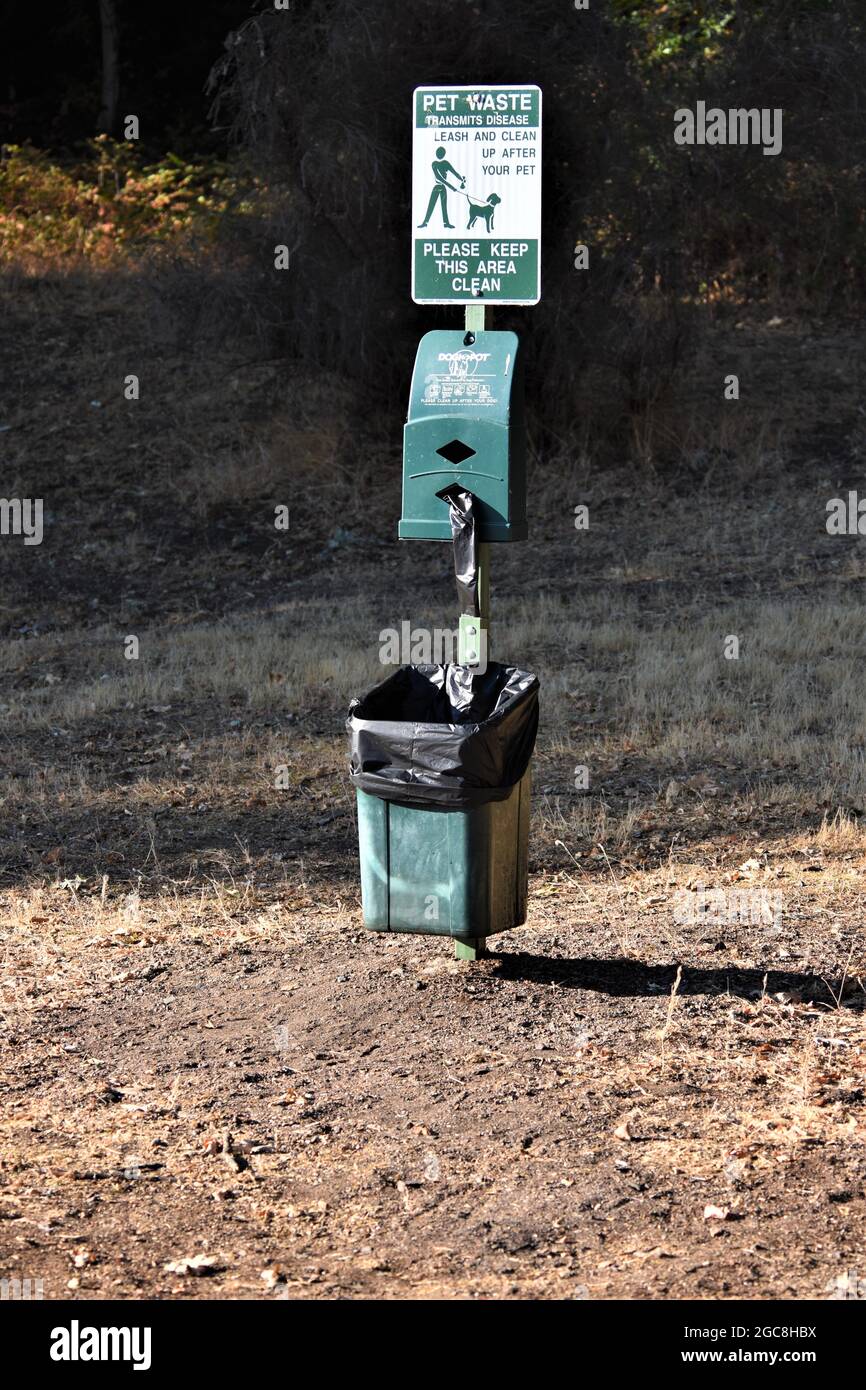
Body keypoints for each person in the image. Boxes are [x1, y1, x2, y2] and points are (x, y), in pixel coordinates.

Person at [418, 147, 465, 229]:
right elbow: (439, 178)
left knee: (444, 206)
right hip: (438, 187)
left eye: (441, 153)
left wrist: (461, 179)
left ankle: (446, 223)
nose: (440, 155)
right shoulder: (434, 164)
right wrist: (452, 187)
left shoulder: (446, 163)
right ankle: (425, 222)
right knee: (431, 205)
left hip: (442, 188)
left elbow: (454, 172)